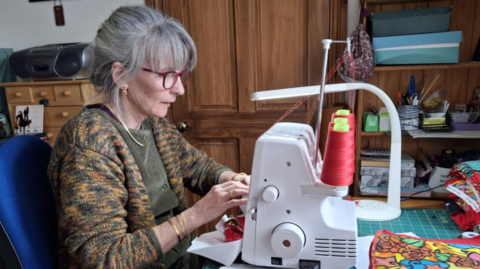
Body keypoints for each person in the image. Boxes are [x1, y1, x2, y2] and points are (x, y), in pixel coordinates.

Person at [47, 5, 250, 268]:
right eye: (167, 75)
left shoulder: (155, 125)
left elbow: (199, 168)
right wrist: (197, 215)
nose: (179, 89)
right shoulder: (88, 143)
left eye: (180, 75)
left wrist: (237, 181)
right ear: (121, 75)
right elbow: (103, 256)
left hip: (183, 260)